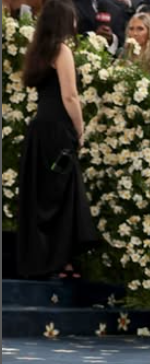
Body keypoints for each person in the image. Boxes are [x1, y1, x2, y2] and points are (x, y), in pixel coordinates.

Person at [16, 0, 100, 278]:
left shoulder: (38, 51)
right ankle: (61, 261)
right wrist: (80, 129)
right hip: (58, 131)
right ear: (65, 20)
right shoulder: (62, 50)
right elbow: (70, 95)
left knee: (42, 196)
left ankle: (42, 260)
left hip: (39, 130)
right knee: (62, 196)